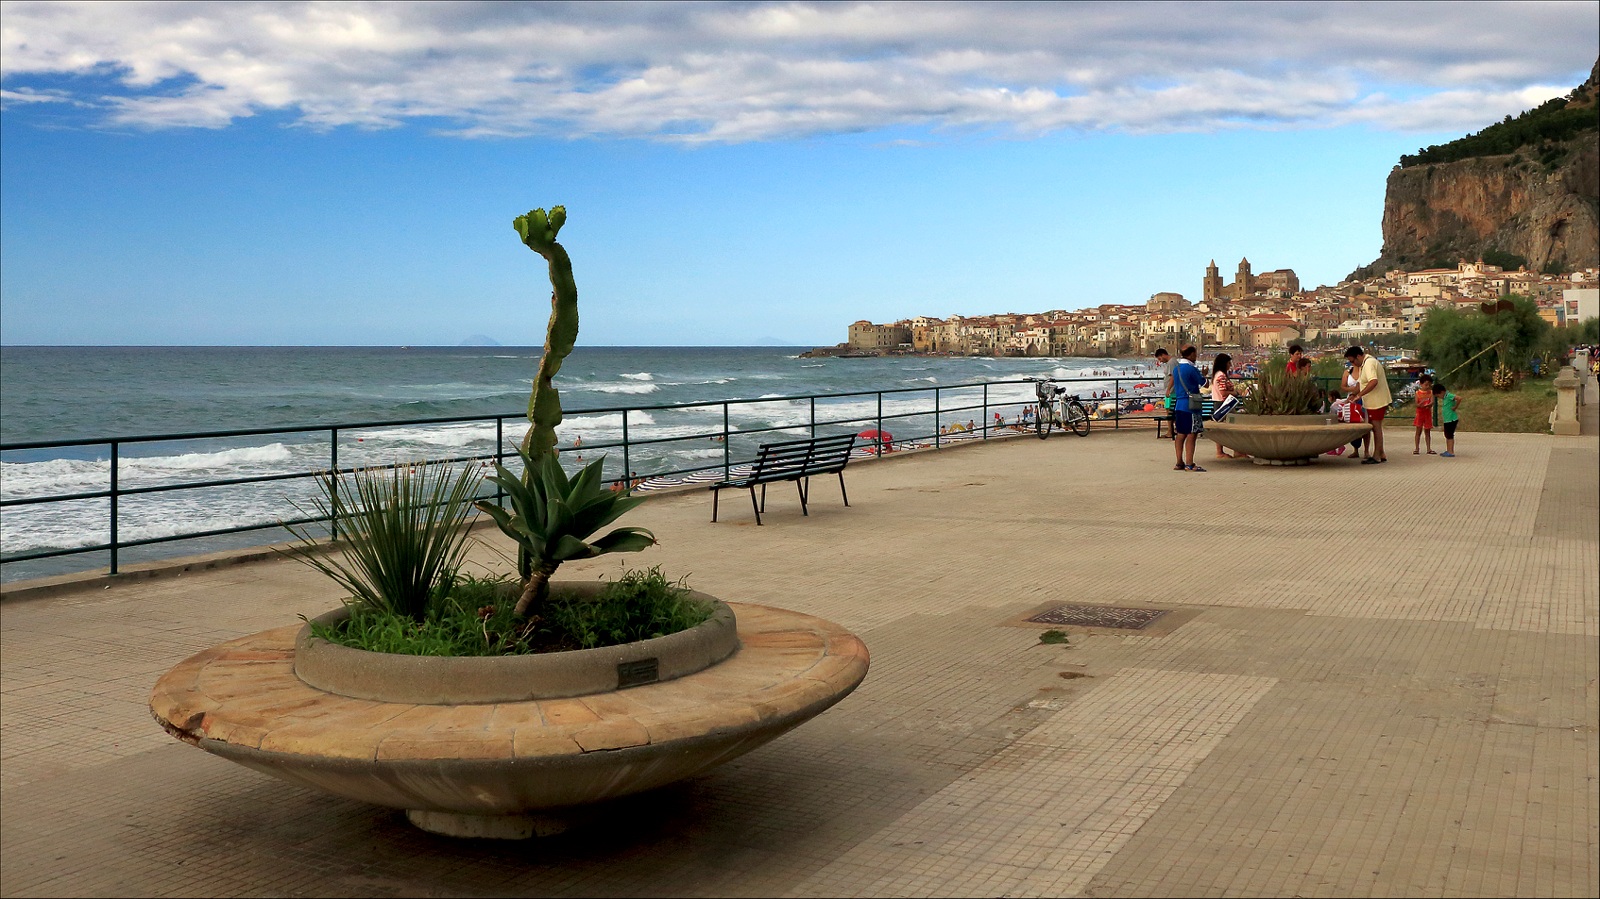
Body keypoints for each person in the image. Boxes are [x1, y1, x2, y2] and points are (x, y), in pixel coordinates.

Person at [1345, 345, 1391, 464]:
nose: (1353, 364)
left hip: (1377, 401)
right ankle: (1381, 453)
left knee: (1376, 428)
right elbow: (1361, 383)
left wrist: (1359, 395)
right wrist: (1353, 395)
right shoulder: (1363, 365)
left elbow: (1373, 381)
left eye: (1352, 361)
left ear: (1358, 356)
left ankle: (1376, 456)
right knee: (1374, 427)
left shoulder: (1369, 363)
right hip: (1372, 402)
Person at [1173, 345, 1207, 471]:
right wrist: (1204, 374)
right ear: (1191, 354)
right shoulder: (1191, 369)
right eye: (1195, 354)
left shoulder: (1176, 369)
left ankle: (1179, 462)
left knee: (1180, 434)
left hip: (1179, 405)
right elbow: (1204, 384)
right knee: (1192, 434)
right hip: (1191, 405)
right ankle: (1189, 463)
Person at [1209, 353, 1246, 460]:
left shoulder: (1217, 375)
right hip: (1224, 404)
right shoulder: (1221, 376)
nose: (1230, 365)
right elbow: (1223, 392)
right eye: (1229, 363)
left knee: (1221, 428)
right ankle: (1233, 451)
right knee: (1232, 427)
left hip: (1219, 402)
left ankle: (1223, 451)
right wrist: (1236, 392)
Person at [1153, 347, 1177, 454]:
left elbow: (1172, 377)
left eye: (1159, 358)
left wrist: (1168, 389)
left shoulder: (1171, 362)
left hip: (1171, 392)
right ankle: (1171, 430)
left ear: (1163, 355)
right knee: (1170, 410)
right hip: (1171, 391)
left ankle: (1170, 431)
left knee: (1169, 410)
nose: (1160, 361)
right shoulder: (1172, 362)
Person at [1412, 374, 1436, 454]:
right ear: (1421, 384)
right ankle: (1416, 448)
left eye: (1429, 385)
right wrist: (1420, 404)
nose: (1427, 386)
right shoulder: (1417, 393)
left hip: (1427, 414)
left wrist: (1428, 405)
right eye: (1426, 385)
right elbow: (1416, 404)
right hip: (1420, 414)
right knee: (1418, 431)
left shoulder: (1431, 392)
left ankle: (1428, 448)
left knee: (1427, 432)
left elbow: (1432, 402)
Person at [1436, 381, 1461, 457]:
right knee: (1447, 434)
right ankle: (1448, 450)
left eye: (1438, 396)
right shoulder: (1445, 397)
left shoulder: (1449, 395)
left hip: (1451, 419)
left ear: (1441, 392)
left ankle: (1451, 451)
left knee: (1449, 435)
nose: (1439, 397)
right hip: (1447, 419)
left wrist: (1455, 407)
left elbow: (1459, 398)